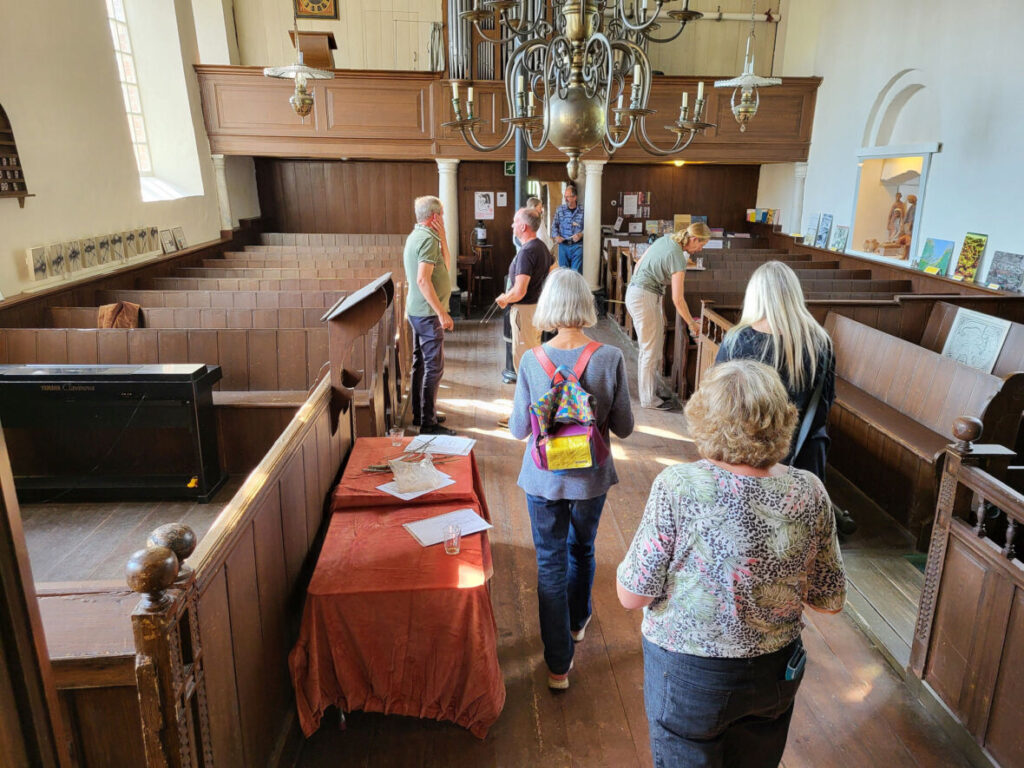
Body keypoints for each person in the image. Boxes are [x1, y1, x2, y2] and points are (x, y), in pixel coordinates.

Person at [616, 359, 846, 767]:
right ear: (782, 419)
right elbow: (829, 600)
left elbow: (633, 595)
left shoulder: (679, 485)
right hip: (774, 673)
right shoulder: (809, 491)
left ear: (705, 417)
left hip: (690, 676)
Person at [508, 268, 634, 690]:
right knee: (582, 549)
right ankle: (578, 622)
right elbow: (625, 427)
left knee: (549, 563)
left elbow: (518, 431)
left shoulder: (531, 359)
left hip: (543, 480)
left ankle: (558, 666)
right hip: (590, 480)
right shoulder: (610, 357)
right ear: (586, 305)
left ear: (548, 308)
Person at [714, 261, 856, 534]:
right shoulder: (820, 342)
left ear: (755, 294)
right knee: (795, 538)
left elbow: (718, 402)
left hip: (744, 457)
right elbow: (826, 402)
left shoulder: (737, 339)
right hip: (803, 455)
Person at [625, 221, 711, 410]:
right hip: (644, 296)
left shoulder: (667, 239)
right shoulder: (677, 255)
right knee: (649, 349)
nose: (699, 250)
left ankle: (650, 392)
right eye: (701, 245)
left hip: (637, 292)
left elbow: (639, 262)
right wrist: (692, 324)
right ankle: (648, 399)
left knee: (653, 347)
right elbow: (678, 299)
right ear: (694, 239)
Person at [402, 195, 456, 436]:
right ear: (435, 217)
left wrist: (443, 237)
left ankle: (422, 412)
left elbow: (445, 267)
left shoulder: (420, 236)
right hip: (427, 313)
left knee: (422, 364)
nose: (443, 220)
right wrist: (441, 312)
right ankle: (428, 423)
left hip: (417, 311)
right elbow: (423, 280)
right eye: (441, 216)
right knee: (434, 366)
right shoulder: (426, 240)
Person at [497, 207, 552, 371]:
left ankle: (527, 396)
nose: (512, 226)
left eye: (515, 222)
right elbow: (554, 269)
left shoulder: (527, 252)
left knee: (524, 359)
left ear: (523, 227)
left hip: (525, 311)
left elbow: (520, 291)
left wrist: (504, 298)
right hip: (535, 308)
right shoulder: (541, 247)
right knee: (534, 353)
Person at [551, 183, 585, 273]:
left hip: (577, 246)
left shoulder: (583, 210)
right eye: (565, 196)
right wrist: (556, 236)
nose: (565, 199)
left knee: (576, 273)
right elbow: (554, 225)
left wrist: (581, 234)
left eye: (568, 197)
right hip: (563, 246)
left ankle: (575, 288)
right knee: (563, 272)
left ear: (575, 197)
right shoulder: (560, 210)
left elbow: (588, 228)